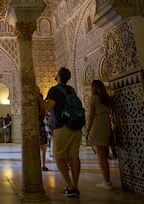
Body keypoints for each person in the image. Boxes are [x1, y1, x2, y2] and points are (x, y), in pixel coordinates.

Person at [39, 67, 82, 198]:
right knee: (74, 156)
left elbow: (48, 108)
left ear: (58, 76)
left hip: (62, 127)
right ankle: (75, 185)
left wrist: (38, 97)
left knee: (58, 157)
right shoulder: (71, 90)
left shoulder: (54, 90)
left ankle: (69, 186)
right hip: (76, 127)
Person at [86, 79, 113, 190]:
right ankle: (107, 179)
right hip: (106, 125)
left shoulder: (94, 98)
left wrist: (88, 129)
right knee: (103, 153)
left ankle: (106, 181)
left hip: (97, 125)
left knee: (100, 155)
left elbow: (91, 115)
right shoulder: (107, 99)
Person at [37, 90, 49, 171]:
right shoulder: (43, 107)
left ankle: (39, 165)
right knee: (43, 148)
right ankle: (43, 165)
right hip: (41, 127)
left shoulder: (35, 107)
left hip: (37, 128)